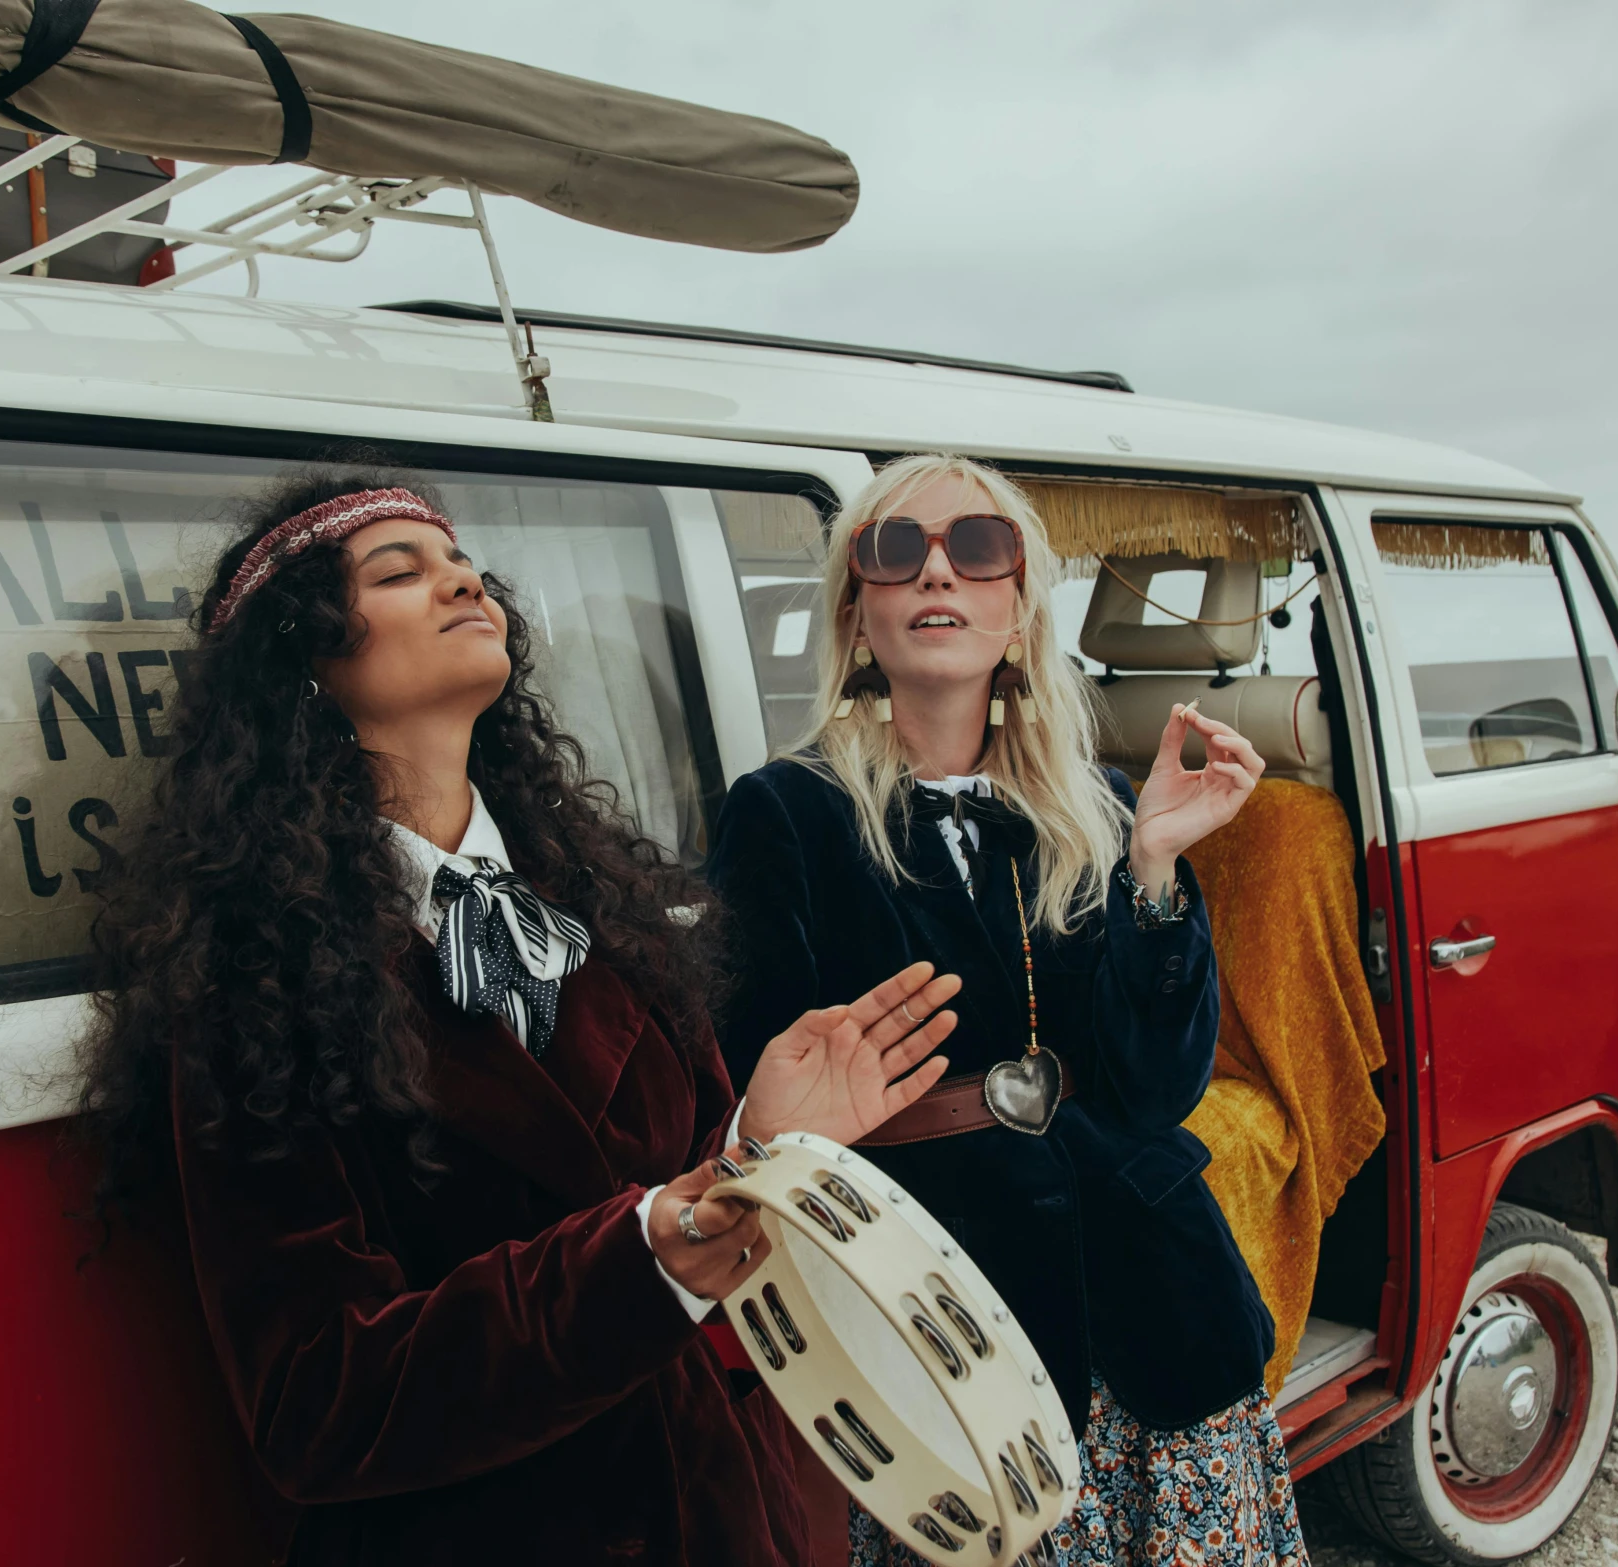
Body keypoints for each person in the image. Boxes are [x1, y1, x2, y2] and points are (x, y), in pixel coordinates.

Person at [75, 466, 966, 1566]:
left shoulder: (599, 909)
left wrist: (761, 1148)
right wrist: (636, 1257)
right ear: (305, 662)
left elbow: (695, 1218)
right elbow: (318, 1404)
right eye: (402, 571)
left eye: (465, 565)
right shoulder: (252, 987)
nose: (462, 583)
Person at [707, 454, 1308, 1567]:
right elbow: (763, 1104)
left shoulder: (1103, 808)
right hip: (946, 1333)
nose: (935, 568)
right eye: (895, 552)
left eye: (977, 549)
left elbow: (1155, 1087)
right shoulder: (784, 812)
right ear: (857, 614)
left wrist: (1155, 869)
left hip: (1157, 1306)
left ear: (1020, 616)